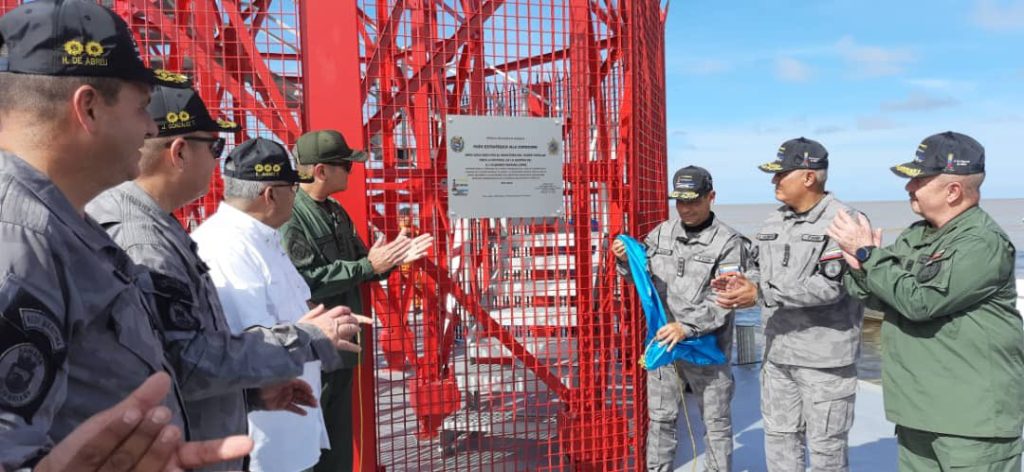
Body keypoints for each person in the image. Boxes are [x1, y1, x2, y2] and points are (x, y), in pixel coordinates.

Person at [0, 1, 242, 469]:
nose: (151, 128)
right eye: (143, 108)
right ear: (88, 108)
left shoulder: (60, 221)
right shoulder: (18, 236)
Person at [85, 83, 367, 470]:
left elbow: (174, 359)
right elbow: (193, 359)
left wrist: (250, 395)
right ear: (179, 151)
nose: (218, 162)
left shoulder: (158, 228)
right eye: (215, 147)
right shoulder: (145, 240)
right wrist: (309, 338)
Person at [828, 131, 1024, 471]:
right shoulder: (917, 235)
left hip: (971, 423)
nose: (909, 187)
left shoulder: (982, 243)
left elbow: (919, 303)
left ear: (953, 191)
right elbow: (878, 294)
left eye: (919, 180)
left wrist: (868, 254)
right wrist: (858, 267)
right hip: (918, 412)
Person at [189, 137, 350, 472]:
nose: (297, 194)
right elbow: (252, 343)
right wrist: (316, 334)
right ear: (270, 194)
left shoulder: (261, 238)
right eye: (292, 187)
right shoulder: (226, 248)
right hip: (264, 441)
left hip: (288, 429)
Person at [279, 129, 433, 472]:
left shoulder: (334, 210)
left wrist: (389, 260)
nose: (351, 170)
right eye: (345, 165)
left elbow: (363, 264)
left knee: (336, 445)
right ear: (321, 171)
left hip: (342, 347)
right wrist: (367, 266)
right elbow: (306, 281)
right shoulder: (291, 217)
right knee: (309, 446)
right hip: (315, 352)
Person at [712, 137, 864, 471]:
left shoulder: (845, 222)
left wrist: (760, 293)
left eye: (781, 173)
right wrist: (740, 282)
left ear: (808, 177)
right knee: (779, 440)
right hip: (777, 355)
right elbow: (758, 268)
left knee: (826, 451)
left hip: (824, 362)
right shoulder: (773, 221)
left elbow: (831, 286)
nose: (774, 180)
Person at [612, 166, 745, 471]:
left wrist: (686, 328)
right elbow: (640, 278)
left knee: (716, 423)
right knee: (660, 420)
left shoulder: (728, 242)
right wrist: (625, 260)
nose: (685, 208)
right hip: (664, 346)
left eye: (693, 201)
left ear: (711, 197)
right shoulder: (661, 234)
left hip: (708, 351)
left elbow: (727, 299)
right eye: (680, 201)